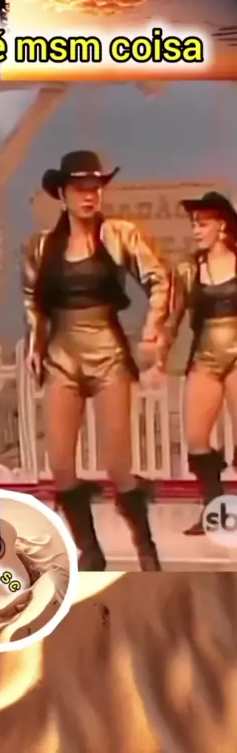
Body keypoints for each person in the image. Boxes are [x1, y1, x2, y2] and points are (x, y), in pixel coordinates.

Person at [21, 151, 171, 571]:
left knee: (118, 464)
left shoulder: (120, 235)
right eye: (80, 189)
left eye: (96, 188)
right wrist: (36, 344)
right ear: (63, 194)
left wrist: (152, 328)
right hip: (62, 354)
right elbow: (33, 300)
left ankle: (145, 546)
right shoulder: (40, 247)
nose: (90, 196)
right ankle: (89, 550)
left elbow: (160, 280)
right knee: (60, 464)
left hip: (107, 352)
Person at [163, 190, 237, 535]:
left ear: (221, 225)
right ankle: (214, 508)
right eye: (193, 224)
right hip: (205, 356)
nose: (195, 230)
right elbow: (174, 317)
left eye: (202, 224)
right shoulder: (188, 268)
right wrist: (158, 353)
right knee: (195, 437)